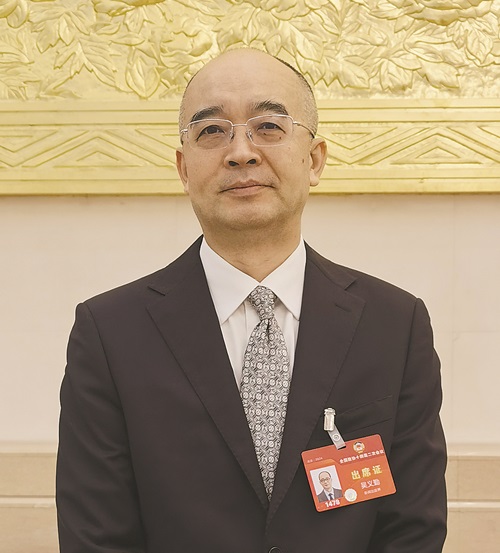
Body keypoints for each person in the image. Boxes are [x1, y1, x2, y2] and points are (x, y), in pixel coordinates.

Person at [56, 48, 447, 553]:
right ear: (183, 168)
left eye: (268, 127)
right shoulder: (110, 334)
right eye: (212, 131)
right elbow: (96, 537)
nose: (241, 152)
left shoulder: (394, 325)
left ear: (314, 160)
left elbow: (412, 530)